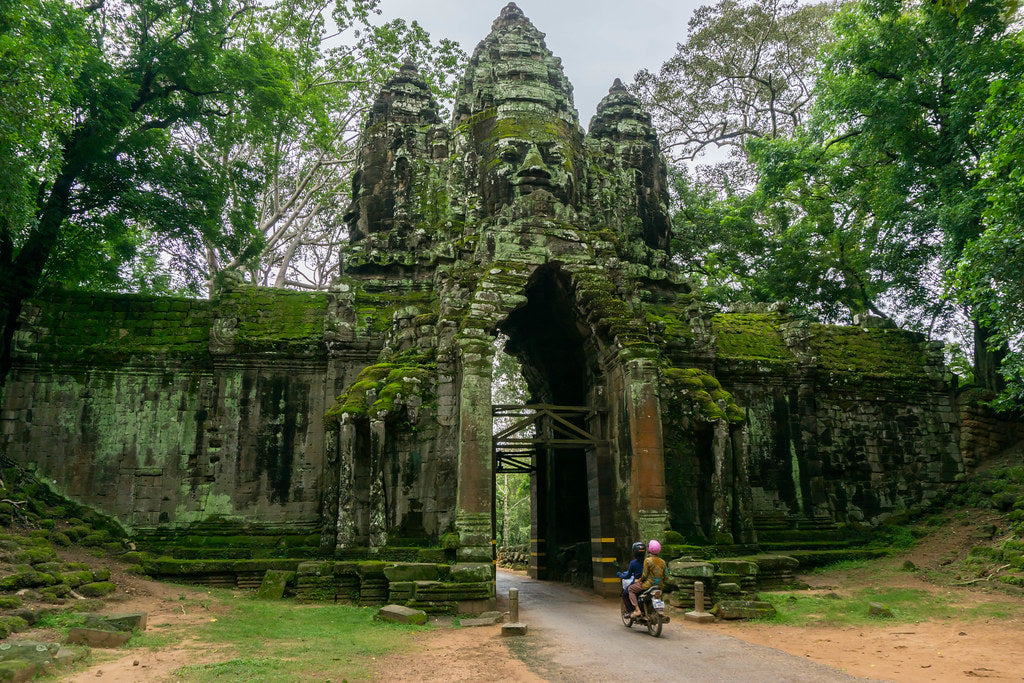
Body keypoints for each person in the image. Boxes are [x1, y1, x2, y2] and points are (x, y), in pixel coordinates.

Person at [627, 539, 667, 618]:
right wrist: (662, 582)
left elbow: (644, 575)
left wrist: (639, 580)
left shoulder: (648, 560)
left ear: (649, 549)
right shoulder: (663, 561)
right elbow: (666, 575)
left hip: (648, 585)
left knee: (630, 589)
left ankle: (637, 610)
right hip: (659, 585)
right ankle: (660, 611)